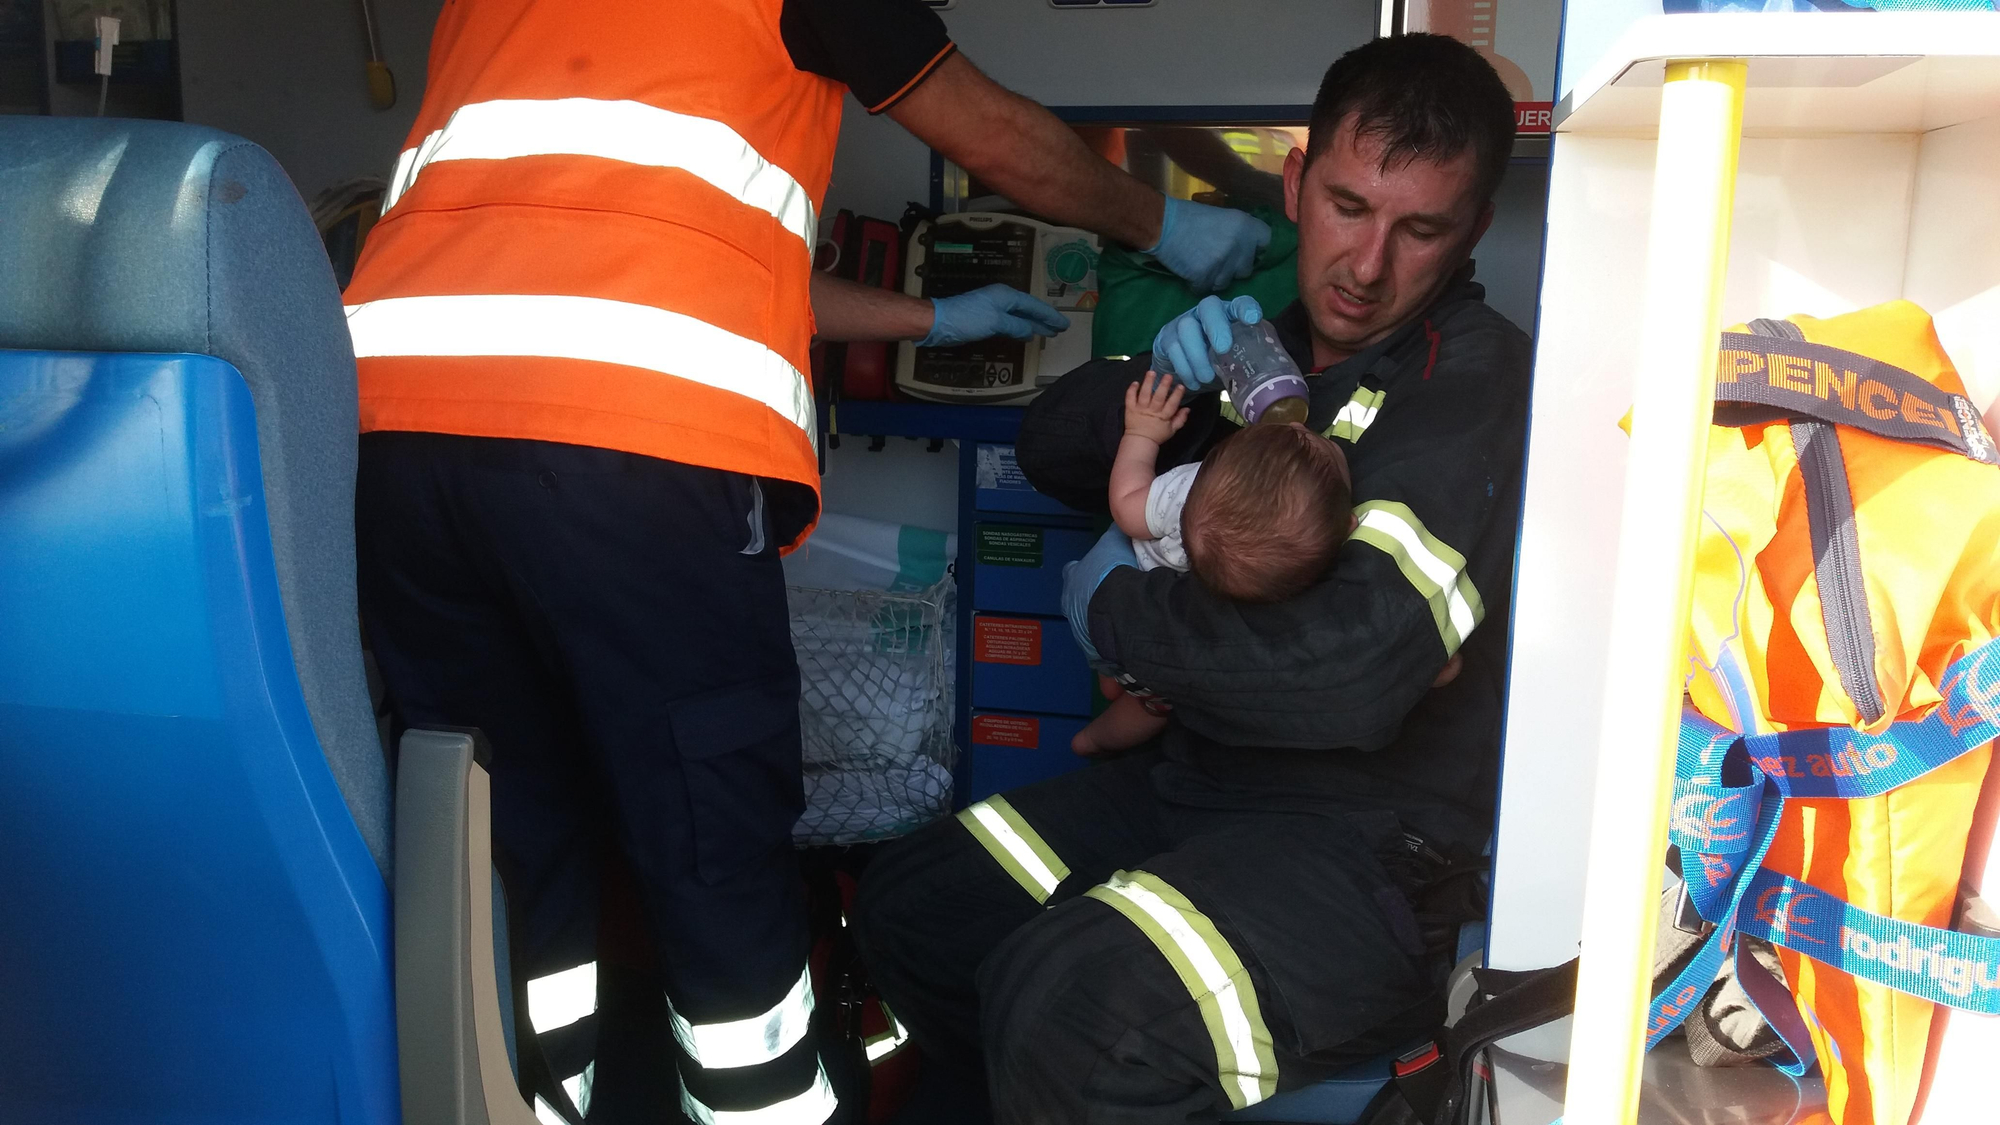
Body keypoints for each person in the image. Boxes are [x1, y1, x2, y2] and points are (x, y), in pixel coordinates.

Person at [344, 2, 1272, 1123]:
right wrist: (1163, 222)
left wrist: (927, 319)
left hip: (392, 440)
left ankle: (530, 1103)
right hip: (629, 451)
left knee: (503, 834)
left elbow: (681, 260)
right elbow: (987, 130)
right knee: (709, 836)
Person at [853, 33, 1532, 1122]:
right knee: (914, 907)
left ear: (1472, 232)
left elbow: (1349, 677)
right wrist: (1160, 371)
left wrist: (1116, 609)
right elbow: (1050, 446)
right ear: (1296, 184)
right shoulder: (1256, 348)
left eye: (1418, 230)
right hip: (1188, 789)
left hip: (1362, 857)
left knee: (1079, 1013)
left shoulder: (1468, 378)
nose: (1366, 266)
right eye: (1348, 207)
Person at [1074, 374, 1354, 758]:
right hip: (1149, 655)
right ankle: (1093, 741)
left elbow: (1125, 506)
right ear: (1349, 526)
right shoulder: (1294, 580)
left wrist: (1142, 435)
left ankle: (1108, 679)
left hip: (1105, 610)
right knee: (1153, 706)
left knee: (1109, 659)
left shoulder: (1188, 490)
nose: (1298, 423)